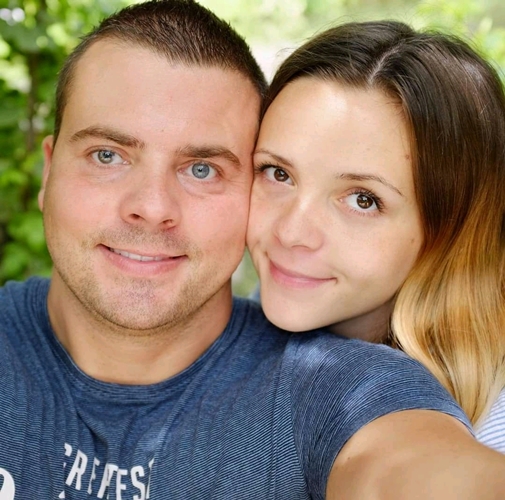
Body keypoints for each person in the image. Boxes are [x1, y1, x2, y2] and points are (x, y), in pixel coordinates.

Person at [1, 2, 504, 498]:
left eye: (202, 169)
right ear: (48, 172)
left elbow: (413, 467)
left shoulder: (343, 388)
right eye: (107, 155)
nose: (152, 208)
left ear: (448, 232)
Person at [247, 19, 505, 454]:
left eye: (363, 200)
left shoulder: (488, 437)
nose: (290, 233)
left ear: (451, 227)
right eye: (278, 173)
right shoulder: (264, 314)